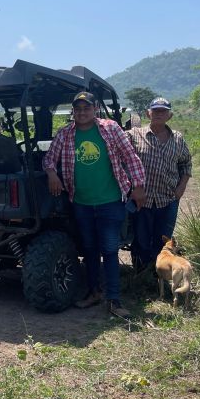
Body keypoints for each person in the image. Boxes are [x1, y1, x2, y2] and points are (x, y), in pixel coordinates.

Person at [43, 91, 146, 317]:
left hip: (110, 201)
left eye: (86, 108)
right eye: (78, 109)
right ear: (73, 111)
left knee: (109, 250)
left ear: (95, 109)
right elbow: (49, 158)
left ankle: (114, 300)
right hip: (81, 203)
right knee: (89, 249)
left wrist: (138, 186)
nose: (82, 112)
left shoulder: (110, 129)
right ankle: (94, 292)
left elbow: (130, 157)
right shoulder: (65, 134)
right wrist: (52, 174)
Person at [127, 97, 192, 273]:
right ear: (148, 113)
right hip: (142, 199)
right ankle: (140, 275)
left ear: (169, 116)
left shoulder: (178, 138)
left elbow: (186, 163)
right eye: (155, 111)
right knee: (141, 239)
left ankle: (159, 275)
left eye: (163, 111)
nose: (158, 114)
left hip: (168, 198)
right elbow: (120, 157)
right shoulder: (134, 135)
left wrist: (181, 187)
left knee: (163, 240)